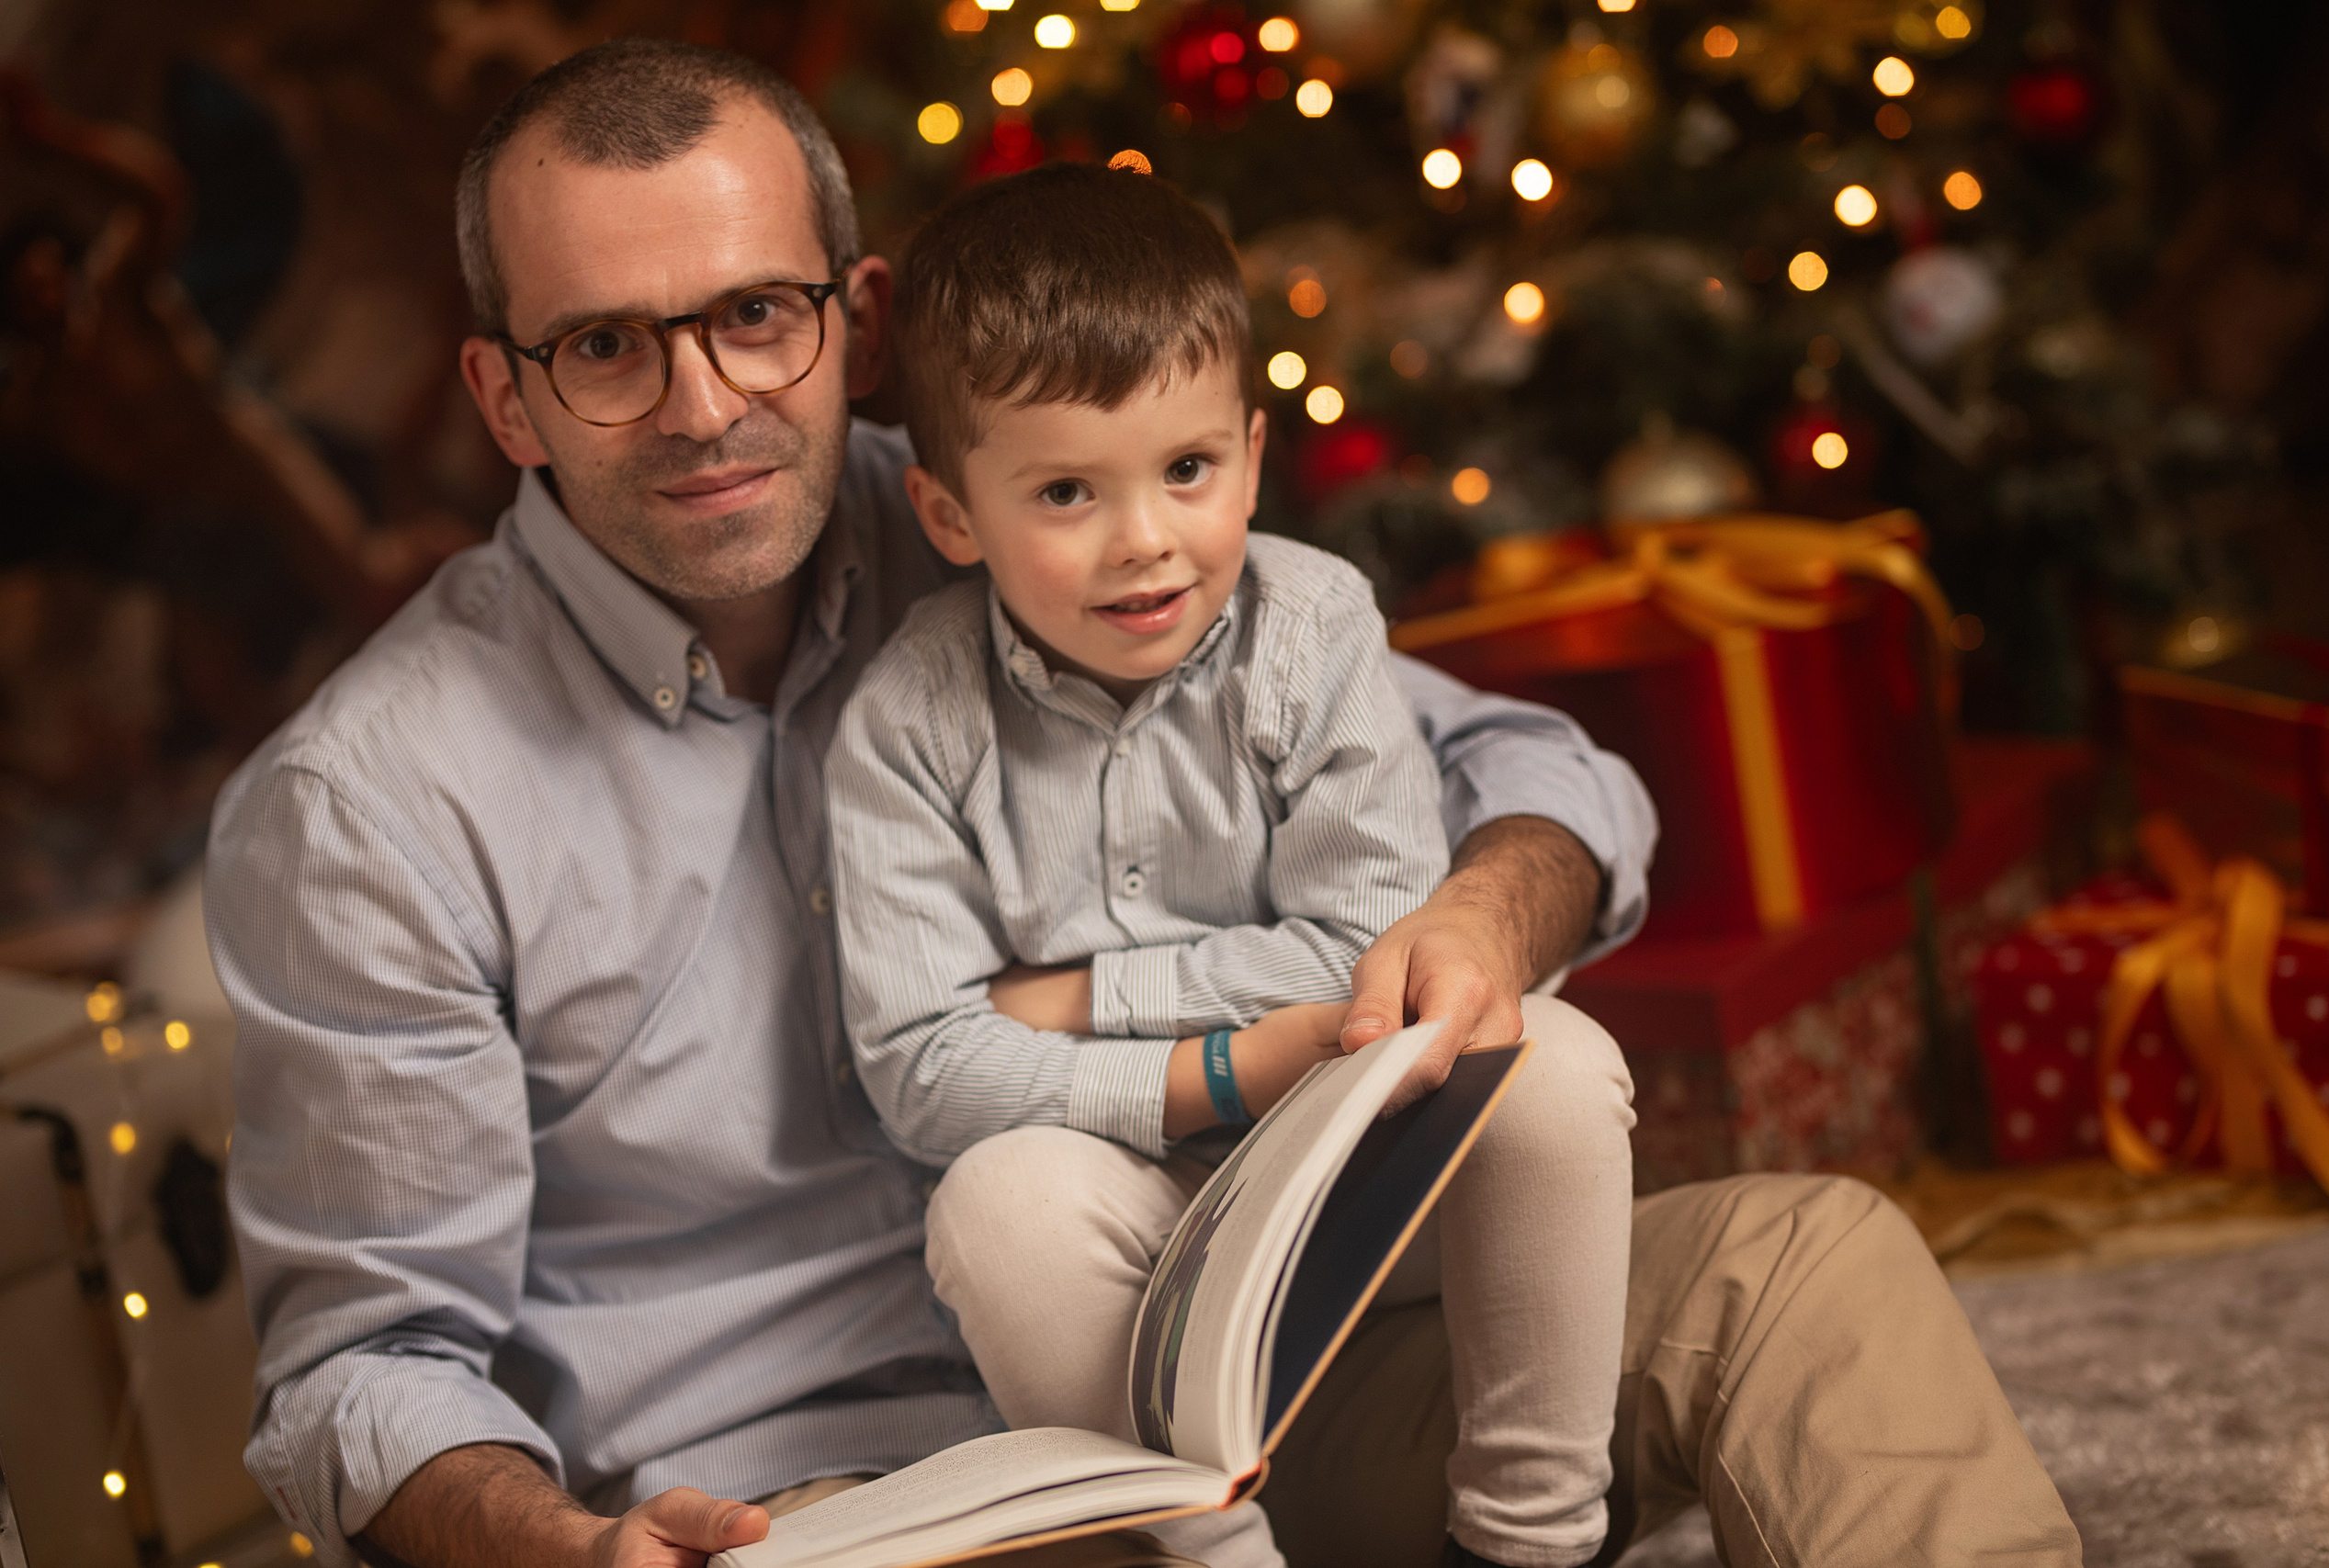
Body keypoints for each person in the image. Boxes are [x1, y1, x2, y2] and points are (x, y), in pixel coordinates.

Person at [204, 38, 2081, 1568]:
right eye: (605, 346)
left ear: (850, 312)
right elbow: (363, 1366)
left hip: (1240, 1358)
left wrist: (1479, 914)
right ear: (503, 395)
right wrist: (561, 1542)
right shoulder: (369, 801)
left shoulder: (1045, 501)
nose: (701, 404)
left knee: (1801, 1268)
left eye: (754, 315)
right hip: (851, 1510)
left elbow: (1527, 772)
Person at [823, 162, 1634, 1568]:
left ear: (1254, 455)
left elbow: (1365, 947)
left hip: (1366, 1133)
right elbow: (922, 1070)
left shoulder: (1312, 626)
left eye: (1189, 472)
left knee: (1554, 1062)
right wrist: (1214, 1071)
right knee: (995, 1204)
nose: (1147, 542)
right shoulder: (907, 725)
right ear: (952, 517)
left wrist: (1074, 996)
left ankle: (1533, 1536)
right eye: (1067, 490)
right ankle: (1209, 1549)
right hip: (1135, 1207)